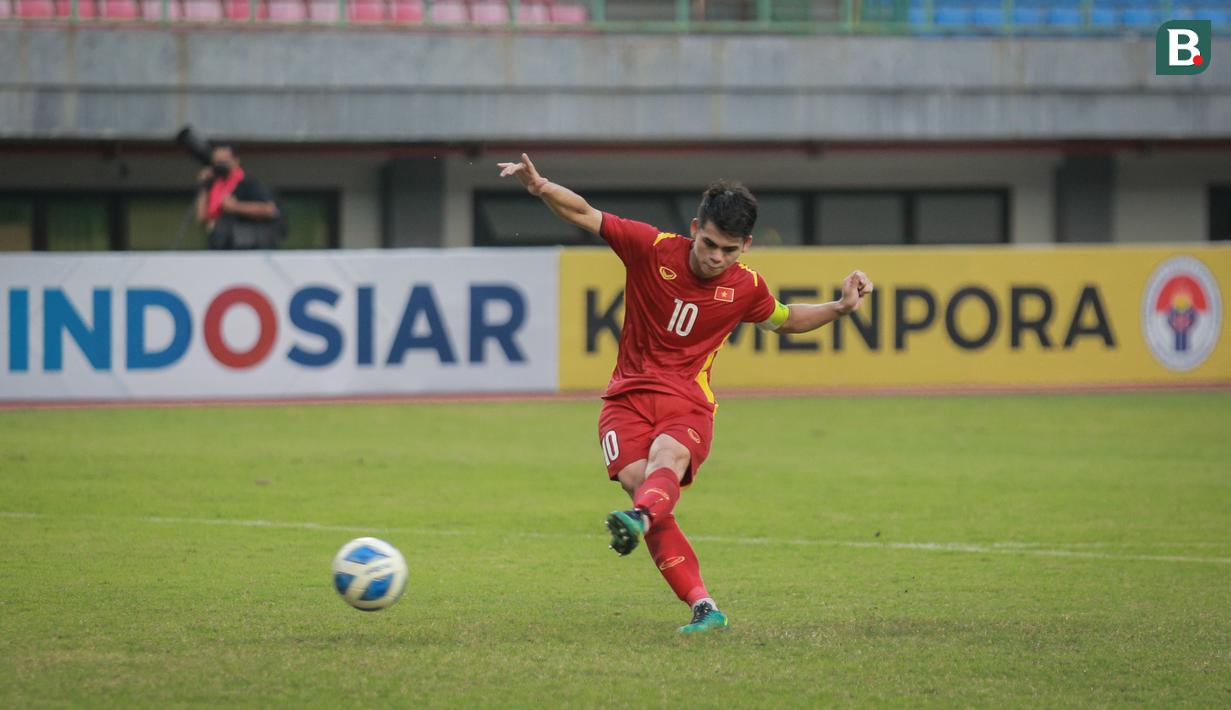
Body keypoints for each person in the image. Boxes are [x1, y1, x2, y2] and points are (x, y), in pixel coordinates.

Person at [497, 153, 873, 634]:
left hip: (687, 401)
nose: (716, 257)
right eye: (710, 243)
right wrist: (542, 186)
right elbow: (584, 214)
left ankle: (641, 519)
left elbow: (785, 320)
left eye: (730, 250)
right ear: (695, 227)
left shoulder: (745, 287)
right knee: (643, 488)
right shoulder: (651, 248)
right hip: (625, 399)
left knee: (666, 459)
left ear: (746, 246)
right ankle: (704, 606)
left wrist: (841, 308)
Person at [195, 145, 283, 250]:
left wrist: (236, 207)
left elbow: (269, 209)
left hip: (246, 247)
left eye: (224, 162)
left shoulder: (247, 182)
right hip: (220, 246)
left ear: (235, 161)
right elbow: (201, 218)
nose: (220, 167)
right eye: (217, 163)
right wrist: (204, 186)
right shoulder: (214, 185)